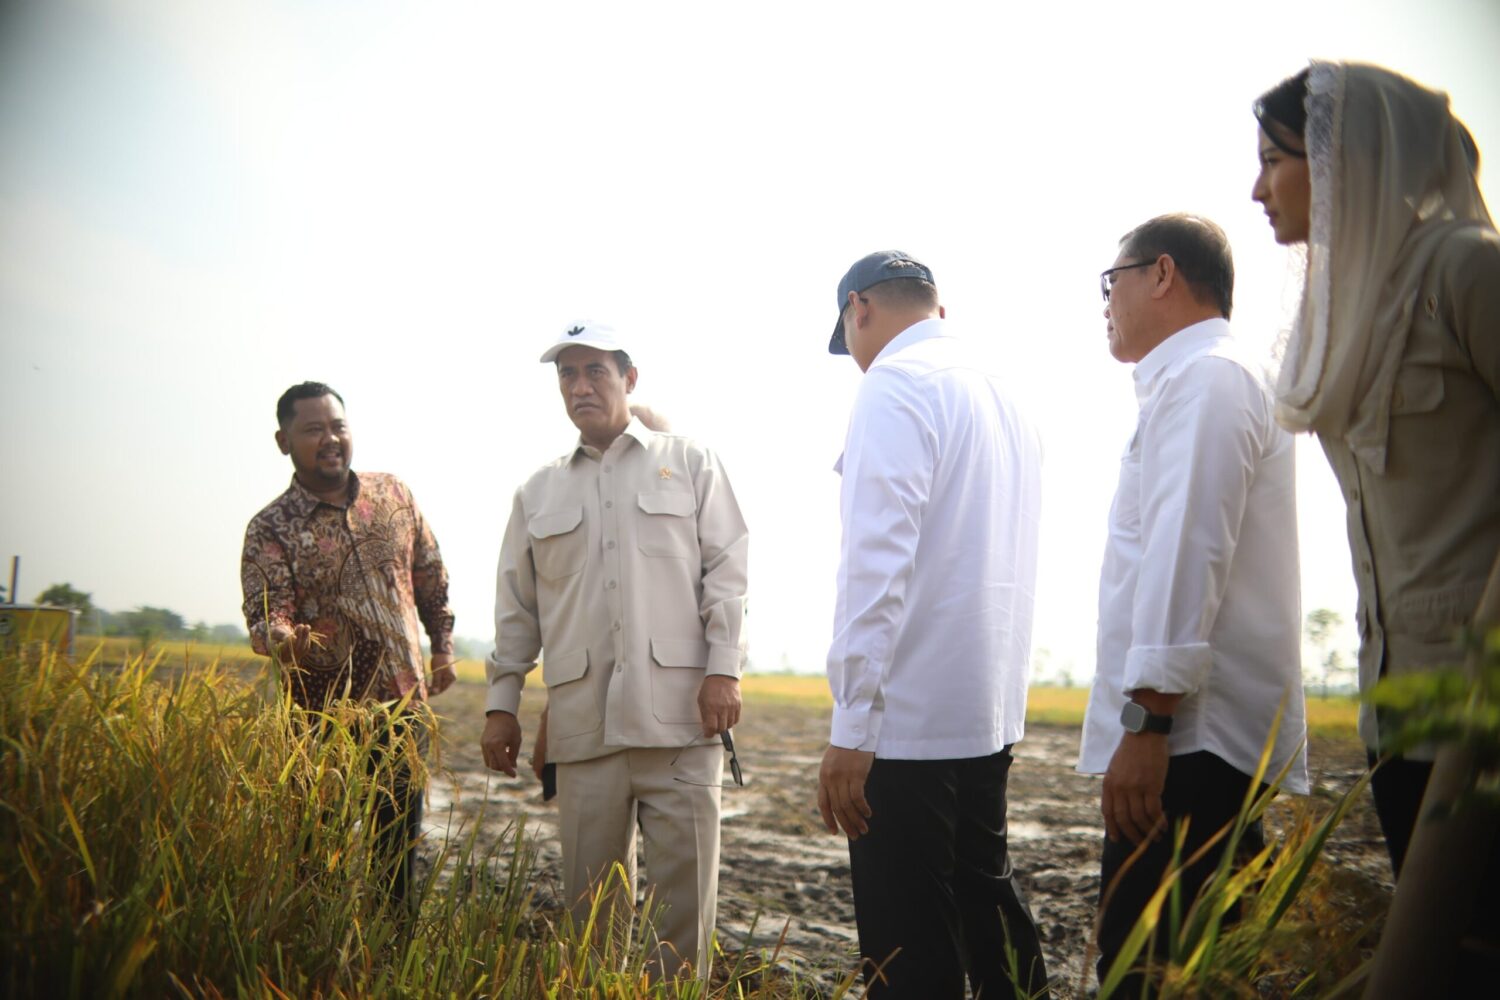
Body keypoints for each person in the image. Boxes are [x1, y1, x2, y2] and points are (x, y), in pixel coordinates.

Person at [1251, 61, 1500, 986]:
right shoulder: (1347, 305)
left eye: (1275, 159)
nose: (1258, 186)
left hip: (1483, 701)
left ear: (1341, 156)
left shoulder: (1466, 268)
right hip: (1395, 702)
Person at [1077, 214, 1308, 994]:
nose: (1105, 303)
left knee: (1144, 969)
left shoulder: (1208, 378)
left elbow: (1187, 553)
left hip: (1188, 743)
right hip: (1187, 736)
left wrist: (1146, 721)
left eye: (1112, 283)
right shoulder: (1198, 378)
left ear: (1163, 274)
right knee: (1193, 973)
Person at [480, 323, 748, 979]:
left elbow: (729, 572)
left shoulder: (690, 463)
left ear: (629, 379)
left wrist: (723, 671)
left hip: (682, 723)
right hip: (584, 732)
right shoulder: (537, 492)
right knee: (590, 914)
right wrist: (502, 704)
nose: (580, 387)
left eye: (595, 371)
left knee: (685, 919)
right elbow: (517, 608)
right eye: (567, 375)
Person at [816, 251, 1050, 998]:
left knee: (910, 951)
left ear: (859, 310)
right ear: (937, 310)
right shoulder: (1004, 395)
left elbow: (875, 566)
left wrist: (852, 723)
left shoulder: (894, 384)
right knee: (990, 918)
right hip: (987, 714)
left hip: (907, 725)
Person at [240, 381, 456, 910]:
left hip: (403, 709)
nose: (330, 439)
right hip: (321, 721)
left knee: (397, 859)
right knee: (316, 857)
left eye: (337, 426)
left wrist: (443, 645)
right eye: (313, 429)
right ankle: (315, 965)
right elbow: (269, 613)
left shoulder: (393, 496)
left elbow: (429, 574)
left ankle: (387, 966)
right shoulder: (271, 528)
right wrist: (281, 638)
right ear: (283, 440)